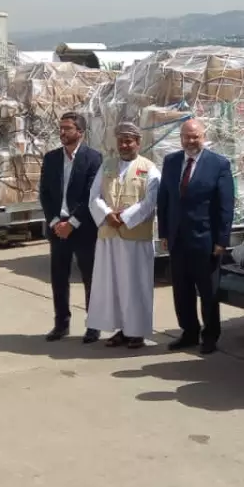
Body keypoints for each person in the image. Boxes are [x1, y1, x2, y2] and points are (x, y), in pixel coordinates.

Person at [157, 118, 235, 354]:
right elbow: (164, 199)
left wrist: (222, 240)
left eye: (195, 137)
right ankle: (189, 332)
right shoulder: (171, 162)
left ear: (204, 137)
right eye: (187, 137)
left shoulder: (218, 164)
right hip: (177, 239)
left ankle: (210, 335)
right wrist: (164, 233)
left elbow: (225, 205)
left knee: (208, 291)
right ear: (181, 138)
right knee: (182, 290)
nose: (191, 141)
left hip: (206, 240)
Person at [85, 123, 161, 349]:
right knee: (114, 285)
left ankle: (136, 332)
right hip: (109, 234)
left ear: (138, 142)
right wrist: (107, 214)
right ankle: (122, 329)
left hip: (135, 236)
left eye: (129, 141)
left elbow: (150, 201)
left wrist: (126, 217)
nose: (124, 145)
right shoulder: (107, 165)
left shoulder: (149, 168)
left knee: (135, 285)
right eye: (121, 141)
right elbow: (94, 196)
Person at [39, 111, 103, 343]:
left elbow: (91, 195)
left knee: (89, 278)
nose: (62, 132)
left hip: (83, 228)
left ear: (80, 132)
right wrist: (55, 222)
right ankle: (61, 324)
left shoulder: (93, 158)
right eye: (61, 128)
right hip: (57, 227)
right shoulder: (51, 158)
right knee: (59, 278)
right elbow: (45, 194)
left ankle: (93, 325)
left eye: (67, 128)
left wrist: (73, 223)